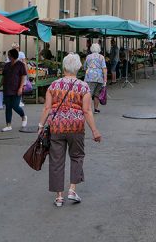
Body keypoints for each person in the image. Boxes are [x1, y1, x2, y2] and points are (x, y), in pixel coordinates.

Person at [38, 53, 102, 207]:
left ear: (64, 67)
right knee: (77, 156)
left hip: (57, 126)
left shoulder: (53, 85)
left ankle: (59, 197)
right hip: (76, 127)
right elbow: (87, 111)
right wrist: (95, 131)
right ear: (78, 67)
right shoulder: (83, 86)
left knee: (56, 160)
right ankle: (72, 190)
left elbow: (47, 107)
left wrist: (41, 126)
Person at [0, 48, 27, 132]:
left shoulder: (20, 65)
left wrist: (21, 87)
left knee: (15, 105)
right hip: (7, 88)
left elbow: (23, 76)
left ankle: (23, 116)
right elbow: (3, 77)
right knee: (8, 107)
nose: (8, 56)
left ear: (13, 56)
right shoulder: (7, 65)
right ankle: (8, 125)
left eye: (9, 55)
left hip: (16, 88)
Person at [84, 43, 107, 113]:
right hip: (99, 77)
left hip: (89, 77)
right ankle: (96, 109)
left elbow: (85, 67)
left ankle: (88, 109)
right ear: (99, 49)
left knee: (89, 94)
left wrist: (88, 70)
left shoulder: (88, 57)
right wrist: (105, 79)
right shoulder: (101, 57)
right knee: (97, 94)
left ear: (91, 49)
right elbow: (104, 68)